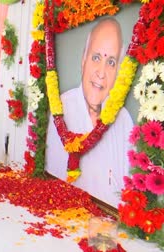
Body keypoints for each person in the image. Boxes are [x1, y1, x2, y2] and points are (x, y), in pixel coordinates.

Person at [45, 18, 133, 207]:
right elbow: (51, 175)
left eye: (111, 62)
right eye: (96, 58)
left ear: (118, 70)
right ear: (83, 60)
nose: (101, 73)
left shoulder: (124, 120)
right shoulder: (61, 107)